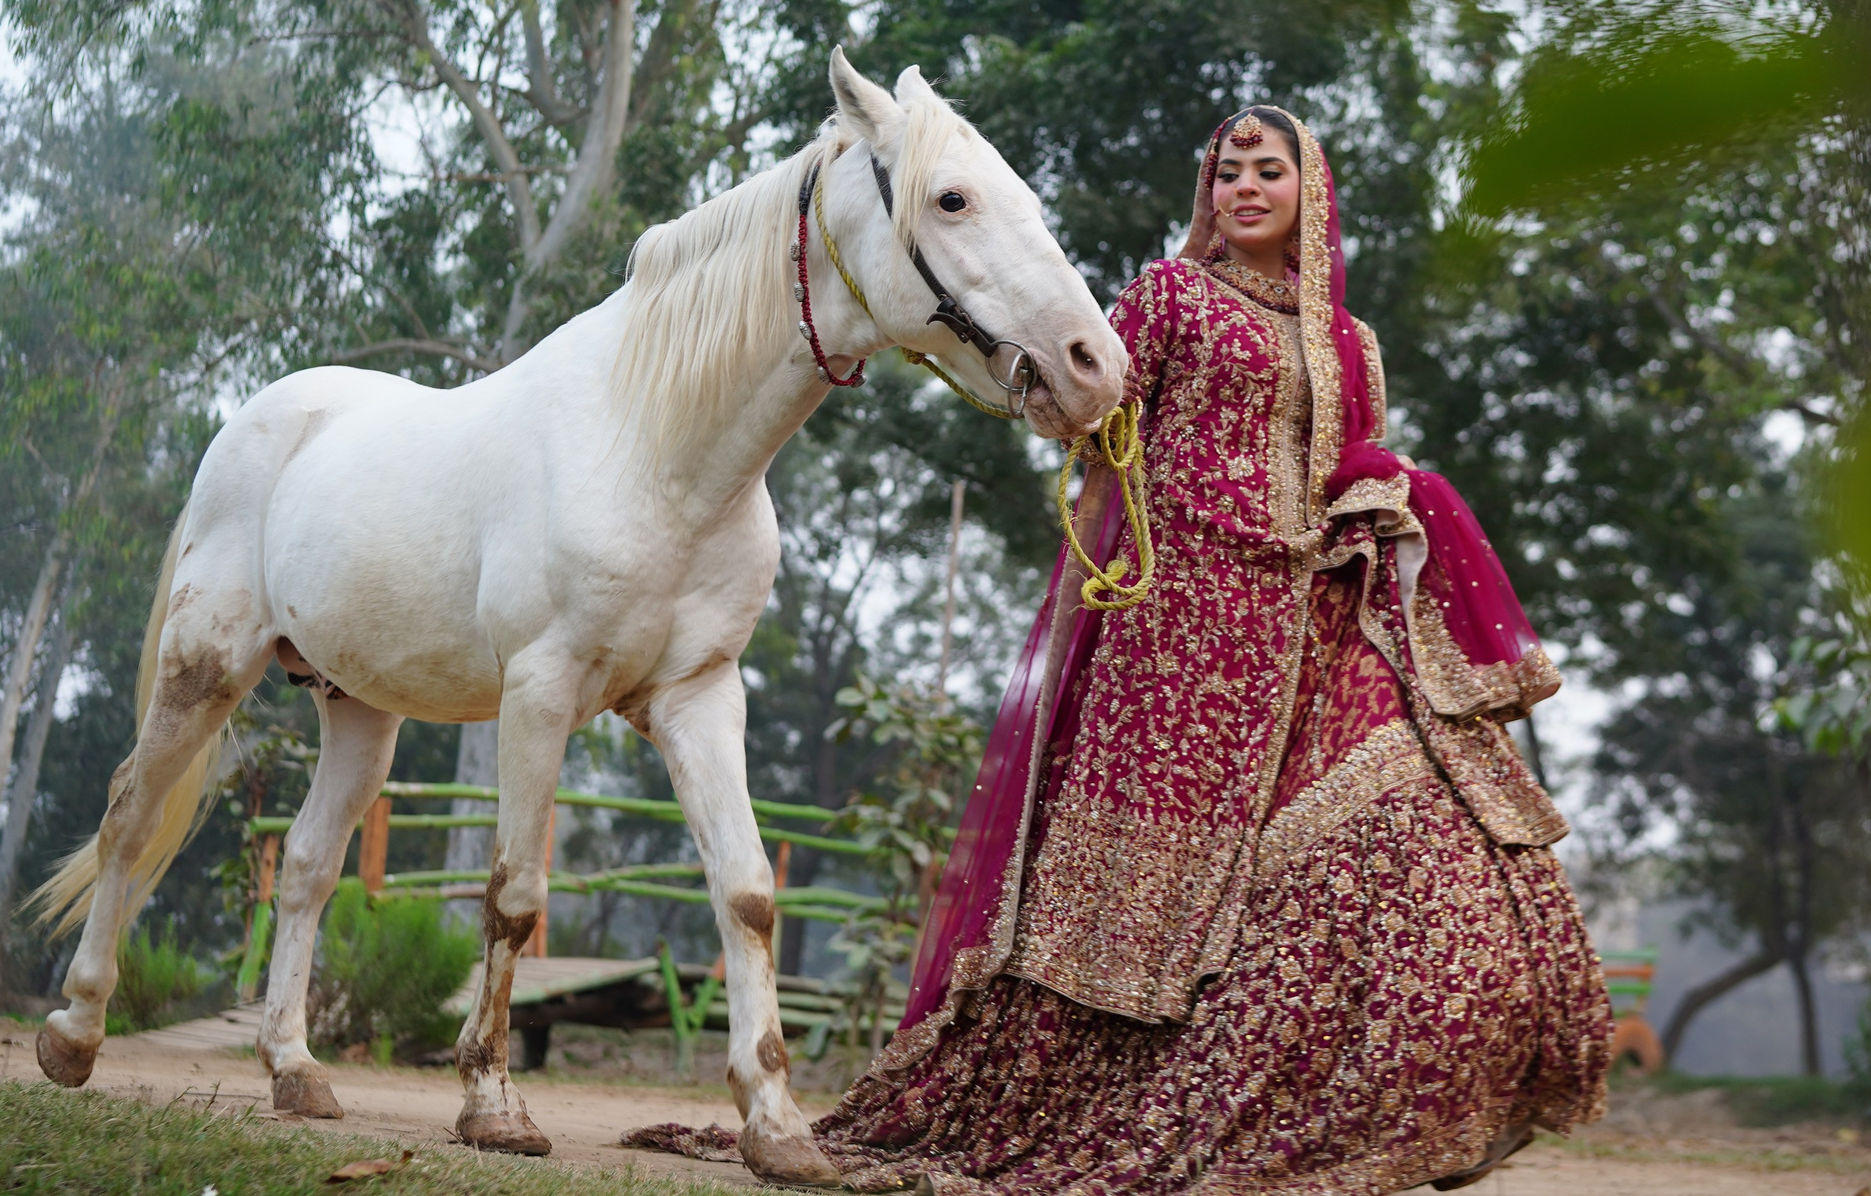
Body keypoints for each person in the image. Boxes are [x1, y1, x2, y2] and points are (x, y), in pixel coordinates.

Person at [630, 107, 1609, 1193]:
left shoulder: (1350, 342)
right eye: (1226, 171)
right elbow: (1090, 409)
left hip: (1314, 626)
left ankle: (1428, 1090)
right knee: (1153, 898)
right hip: (1176, 641)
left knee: (1439, 815)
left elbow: (1337, 456)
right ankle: (1144, 1097)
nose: (1242, 187)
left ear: (1309, 193)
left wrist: (1380, 495)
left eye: (1266, 170)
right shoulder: (1170, 298)